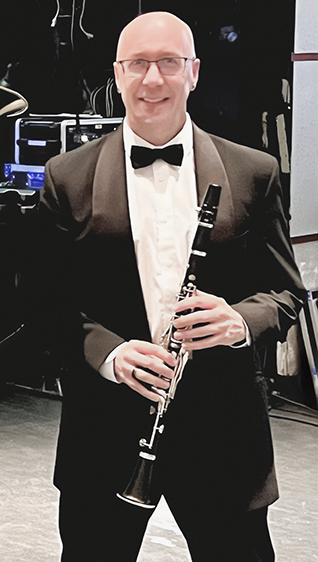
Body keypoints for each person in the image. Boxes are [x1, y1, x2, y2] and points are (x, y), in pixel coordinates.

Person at [38, 12, 305, 562]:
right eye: (138, 64)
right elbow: (45, 302)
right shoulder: (67, 177)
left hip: (222, 430)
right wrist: (108, 353)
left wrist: (240, 321)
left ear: (194, 72)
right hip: (106, 429)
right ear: (117, 74)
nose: (152, 80)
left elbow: (284, 293)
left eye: (168, 63)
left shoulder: (253, 171)